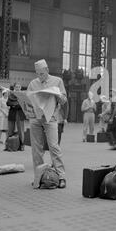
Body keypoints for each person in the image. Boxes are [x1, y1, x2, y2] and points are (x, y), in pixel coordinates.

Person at [27, 59, 67, 189]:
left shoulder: (57, 81)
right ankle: (39, 177)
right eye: (38, 74)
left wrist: (58, 95)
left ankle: (61, 177)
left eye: (42, 74)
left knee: (54, 147)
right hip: (35, 119)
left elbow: (64, 99)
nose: (40, 76)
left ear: (47, 70)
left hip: (51, 118)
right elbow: (28, 100)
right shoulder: (33, 83)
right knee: (36, 149)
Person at [7, 83, 26, 151]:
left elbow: (23, 105)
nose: (17, 88)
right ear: (14, 87)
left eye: (19, 87)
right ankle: (9, 145)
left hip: (20, 114)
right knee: (10, 129)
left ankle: (21, 145)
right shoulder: (11, 94)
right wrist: (16, 104)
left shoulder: (23, 95)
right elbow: (8, 103)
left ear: (20, 87)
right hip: (12, 113)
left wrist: (14, 105)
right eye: (16, 87)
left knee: (21, 130)